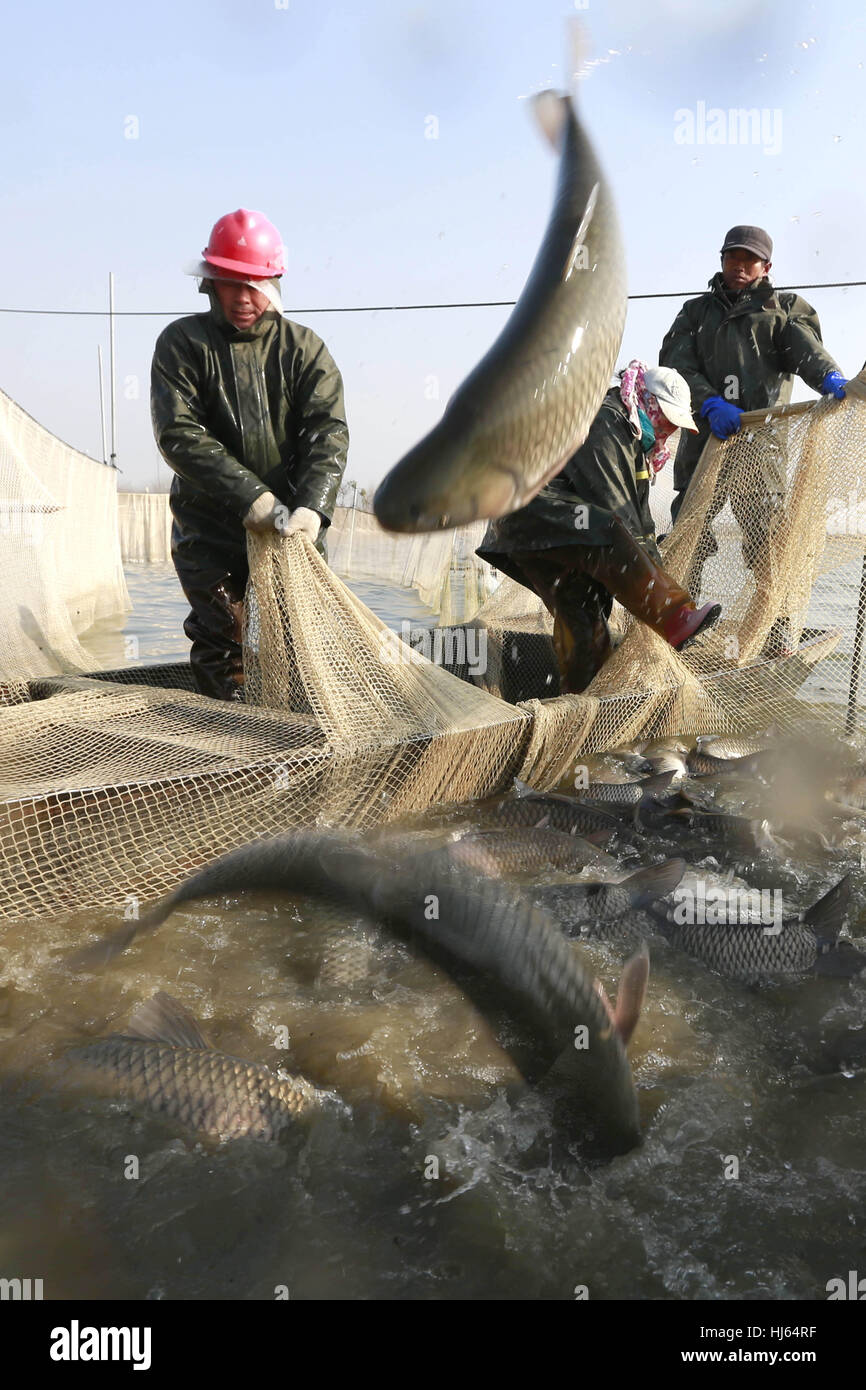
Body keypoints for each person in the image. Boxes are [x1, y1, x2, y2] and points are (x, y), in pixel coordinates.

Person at [151, 208, 349, 701]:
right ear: (210, 283)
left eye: (255, 284)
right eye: (231, 283)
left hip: (290, 527)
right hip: (209, 529)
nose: (243, 298)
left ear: (275, 283)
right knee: (223, 638)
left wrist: (313, 507)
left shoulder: (305, 349)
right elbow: (178, 433)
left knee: (305, 643)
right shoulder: (182, 343)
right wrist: (250, 499)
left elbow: (328, 432)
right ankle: (230, 750)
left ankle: (303, 744)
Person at [476, 362, 721, 694]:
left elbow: (642, 524)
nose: (670, 430)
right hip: (533, 515)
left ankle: (582, 699)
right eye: (667, 418)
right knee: (605, 526)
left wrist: (653, 571)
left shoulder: (633, 437)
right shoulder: (607, 420)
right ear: (647, 399)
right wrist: (658, 595)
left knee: (582, 611)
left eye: (676, 425)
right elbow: (614, 507)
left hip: (535, 533)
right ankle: (675, 617)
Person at [659, 223, 847, 535]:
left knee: (767, 535)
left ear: (766, 266)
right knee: (688, 535)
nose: (739, 265)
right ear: (721, 261)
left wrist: (828, 374)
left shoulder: (785, 308)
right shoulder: (694, 312)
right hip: (705, 439)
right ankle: (682, 585)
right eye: (732, 257)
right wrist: (710, 404)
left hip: (762, 443)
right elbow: (676, 367)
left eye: (749, 259)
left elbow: (802, 346)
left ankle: (767, 586)